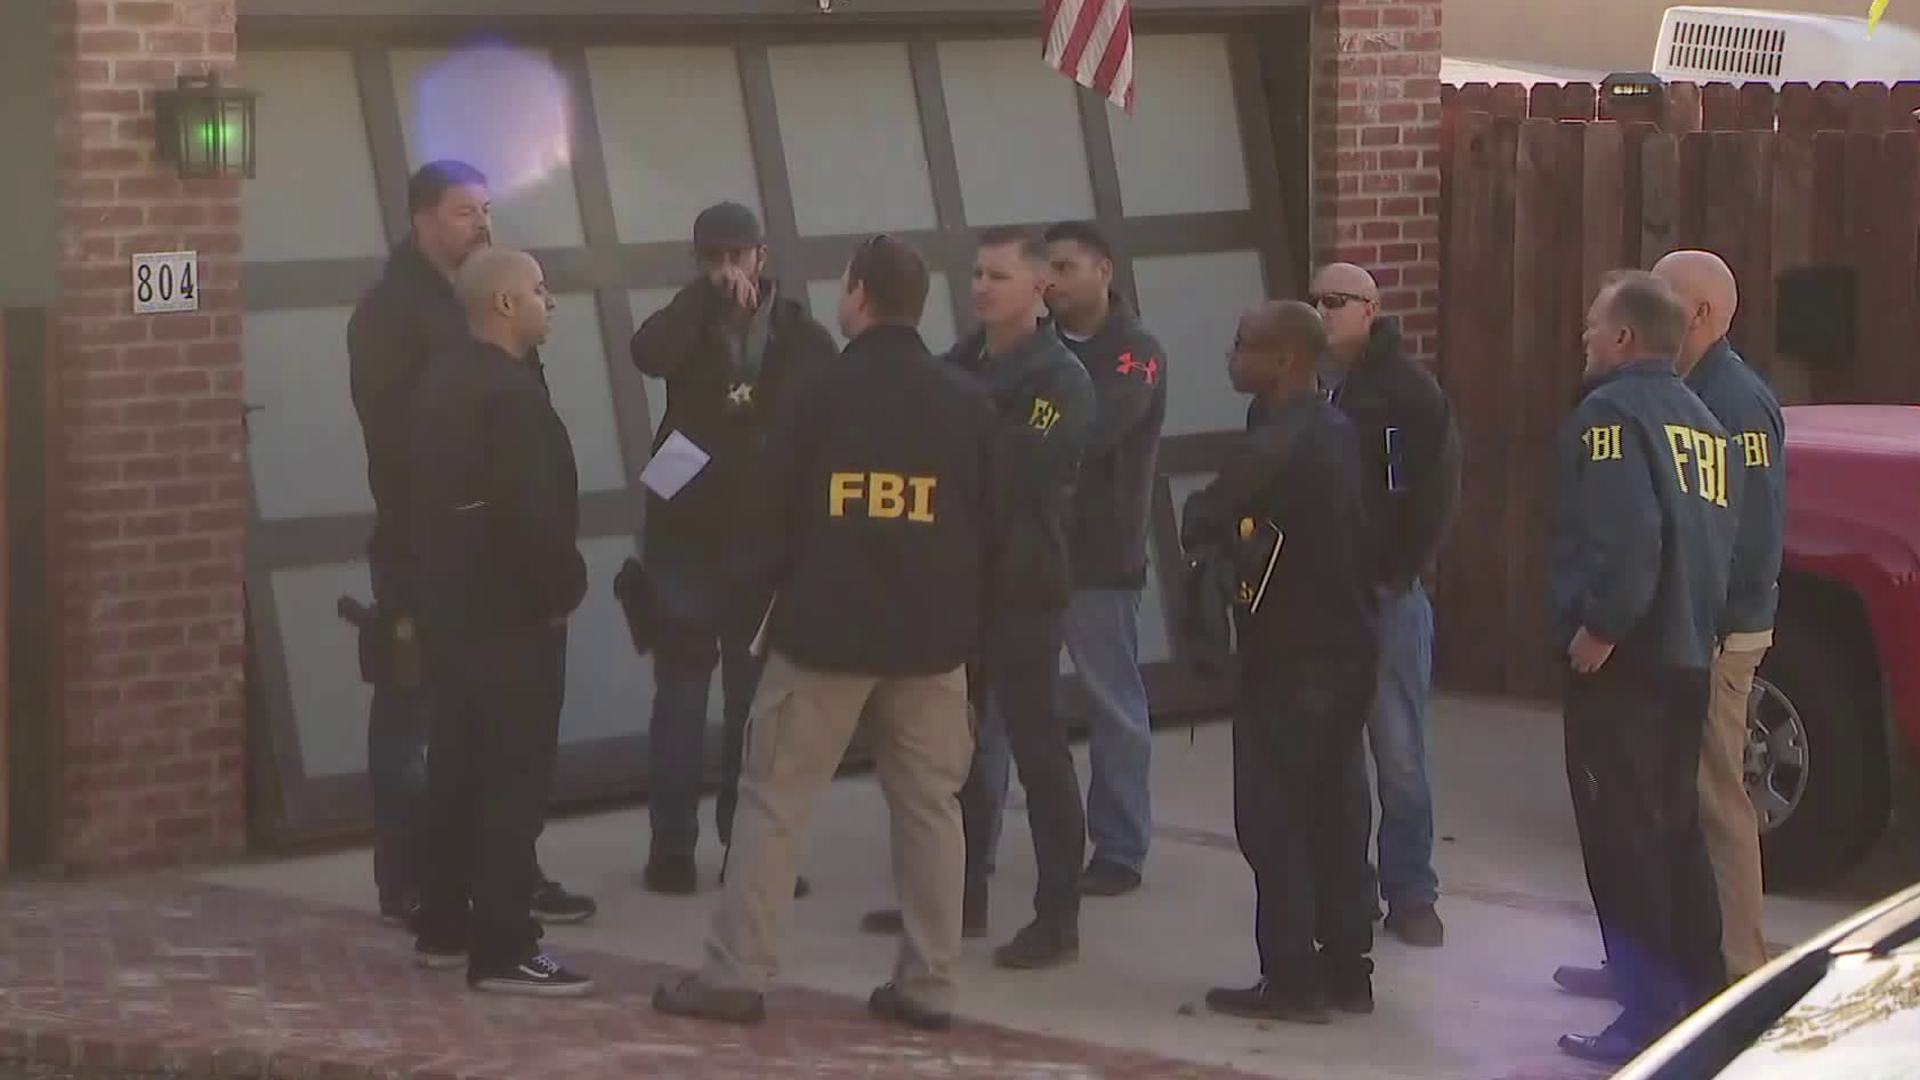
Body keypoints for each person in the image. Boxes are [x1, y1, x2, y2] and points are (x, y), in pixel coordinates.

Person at [651, 235, 999, 1030]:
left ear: (859, 296)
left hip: (821, 638)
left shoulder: (814, 394)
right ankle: (930, 982)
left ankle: (736, 974)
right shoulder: (967, 400)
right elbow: (992, 525)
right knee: (930, 809)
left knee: (773, 804)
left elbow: (764, 518)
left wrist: (747, 610)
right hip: (930, 642)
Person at [344, 159, 595, 930]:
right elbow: (397, 446)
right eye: (464, 212)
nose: (481, 223)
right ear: (422, 218)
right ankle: (415, 878)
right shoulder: (392, 314)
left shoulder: (493, 296)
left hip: (499, 561)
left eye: (486, 209)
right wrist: (435, 537)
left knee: (495, 731)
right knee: (418, 713)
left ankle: (504, 871)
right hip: (429, 549)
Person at [1553, 251, 1785, 999]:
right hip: (1689, 627)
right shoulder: (1690, 396)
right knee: (1673, 810)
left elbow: (1734, 529)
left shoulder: (1732, 401)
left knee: (1708, 808)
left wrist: (1688, 620)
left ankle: (1732, 970)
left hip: (1708, 630)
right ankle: (1658, 964)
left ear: (1703, 317)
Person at [861, 226, 1095, 968]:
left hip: (1025, 588)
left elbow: (1017, 463)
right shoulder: (958, 362)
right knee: (951, 753)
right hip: (959, 585)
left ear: (1039, 290)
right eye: (977, 275)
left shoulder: (1061, 379)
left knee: (1038, 751)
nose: (982, 288)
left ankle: (1057, 919)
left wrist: (954, 446)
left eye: (998, 276)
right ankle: (956, 899)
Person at [629, 201, 838, 897]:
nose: (725, 270)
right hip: (684, 531)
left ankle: (742, 848)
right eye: (711, 258)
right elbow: (646, 353)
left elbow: (802, 410)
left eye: (735, 257)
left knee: (753, 708)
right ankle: (671, 849)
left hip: (758, 538)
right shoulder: (686, 323)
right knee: (681, 696)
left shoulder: (797, 334)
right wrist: (704, 302)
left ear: (762, 256)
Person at [1180, 300, 1381, 1024]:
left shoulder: (1282, 439)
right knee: (1338, 809)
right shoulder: (1337, 429)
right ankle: (1348, 969)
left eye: (1244, 346)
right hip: (1350, 646)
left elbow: (1207, 513)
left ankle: (1291, 977)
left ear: (1286, 360)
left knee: (1275, 818)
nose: (1231, 357)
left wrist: (1211, 536)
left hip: (1291, 654)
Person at [406, 247, 593, 996]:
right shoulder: (511, 398)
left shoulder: (436, 388)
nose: (551, 302)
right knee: (513, 780)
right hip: (512, 619)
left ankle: (445, 924)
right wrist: (562, 590)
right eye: (541, 291)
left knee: (456, 767)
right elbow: (531, 515)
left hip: (452, 614)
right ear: (506, 305)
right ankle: (507, 945)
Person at [1304, 262, 1460, 948]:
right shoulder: (1301, 386)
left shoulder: (1407, 392)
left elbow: (1438, 490)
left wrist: (1398, 574)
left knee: (1397, 751)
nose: (1322, 311)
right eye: (1313, 301)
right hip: (1320, 605)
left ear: (1371, 309)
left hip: (1386, 602)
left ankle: (1411, 890)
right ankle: (1345, 889)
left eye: (1335, 301)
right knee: (1327, 755)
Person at [1044, 220, 1168, 897]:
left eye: (1066, 267)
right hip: (1031, 551)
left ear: (1104, 271)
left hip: (1099, 557)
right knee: (1004, 703)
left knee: (1112, 705)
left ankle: (1120, 846)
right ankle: (976, 842)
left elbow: (1091, 429)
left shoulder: (1134, 351)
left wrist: (1030, 424)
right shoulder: (1032, 345)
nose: (1052, 282)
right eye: (1048, 269)